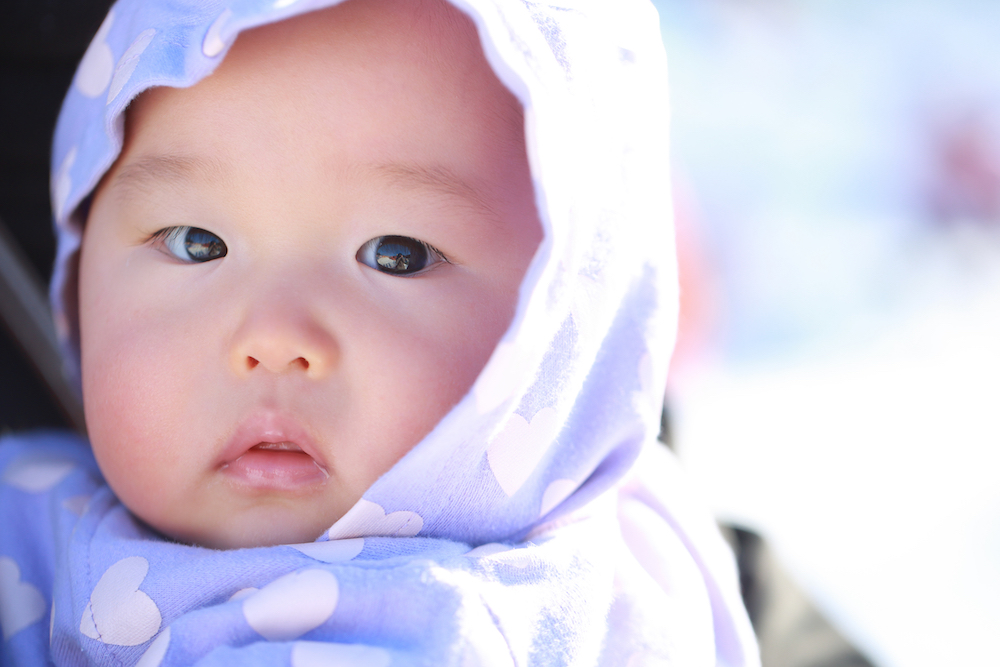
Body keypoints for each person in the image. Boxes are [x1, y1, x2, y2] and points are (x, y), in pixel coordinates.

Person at [0, 0, 759, 664]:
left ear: (564, 339)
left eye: (397, 257)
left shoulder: (449, 624)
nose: (270, 336)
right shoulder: (46, 497)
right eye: (197, 242)